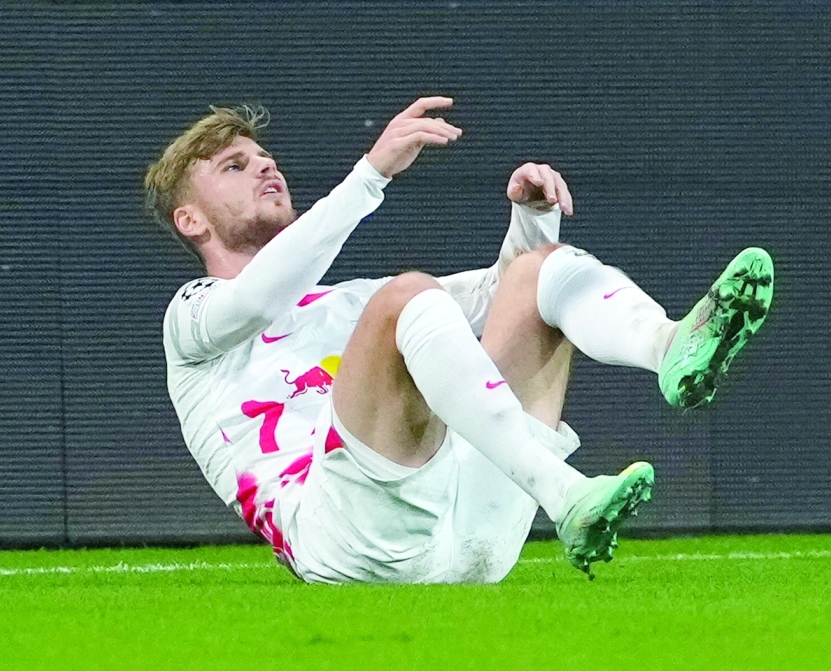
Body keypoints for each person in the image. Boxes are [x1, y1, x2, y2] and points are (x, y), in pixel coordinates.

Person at [144, 97, 773, 584]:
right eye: (235, 166)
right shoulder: (191, 319)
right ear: (191, 220)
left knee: (532, 271)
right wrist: (369, 175)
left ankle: (671, 347)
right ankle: (564, 492)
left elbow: (504, 292)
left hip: (473, 534)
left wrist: (532, 218)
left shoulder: (347, 304)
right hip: (352, 545)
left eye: (264, 157)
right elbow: (255, 297)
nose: (265, 165)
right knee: (408, 296)